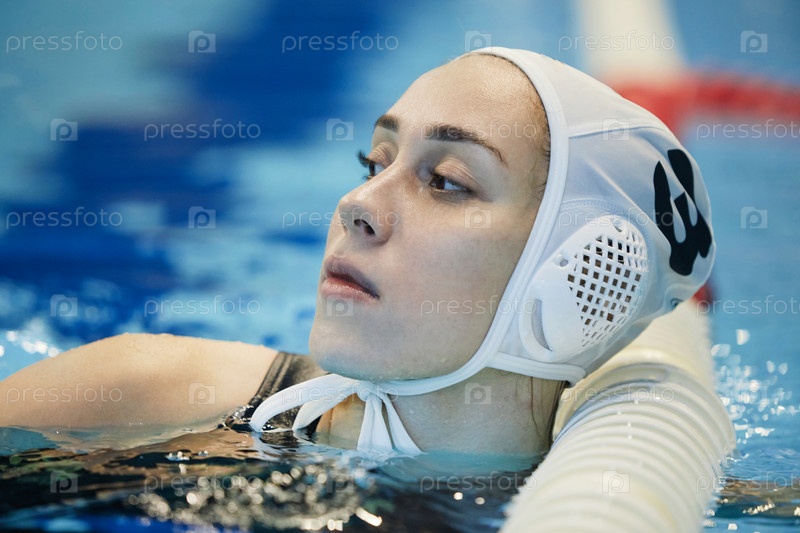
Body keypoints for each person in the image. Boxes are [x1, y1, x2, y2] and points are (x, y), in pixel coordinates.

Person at [0, 47, 714, 460]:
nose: (356, 204)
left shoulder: (617, 505)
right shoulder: (138, 397)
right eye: (376, 162)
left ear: (580, 274)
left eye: (446, 181)